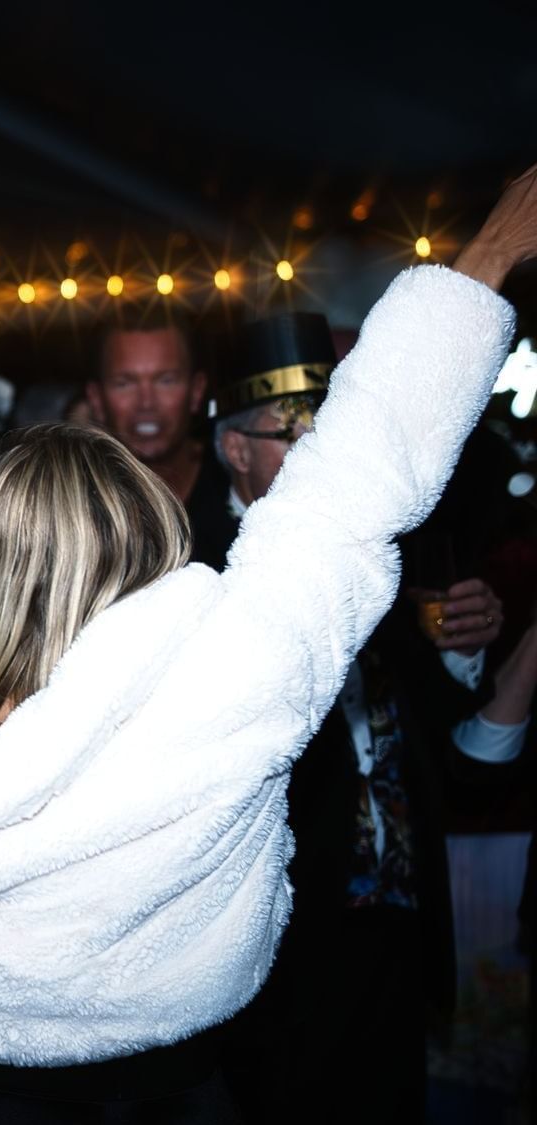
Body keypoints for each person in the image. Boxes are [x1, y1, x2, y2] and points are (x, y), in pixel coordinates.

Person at [0, 165, 537, 1123]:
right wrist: (493, 255)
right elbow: (354, 487)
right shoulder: (230, 677)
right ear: (146, 537)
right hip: (195, 1098)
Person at [209, 312, 516, 1123]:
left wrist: (457, 648)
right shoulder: (203, 574)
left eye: (327, 432)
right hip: (281, 950)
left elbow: (445, 751)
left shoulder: (385, 558)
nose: (316, 453)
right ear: (235, 449)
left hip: (399, 932)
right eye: (291, 433)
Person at [83, 317, 240, 568]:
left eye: (166, 380)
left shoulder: (241, 484)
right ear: (97, 399)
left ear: (197, 391)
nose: (146, 403)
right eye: (124, 383)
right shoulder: (78, 505)